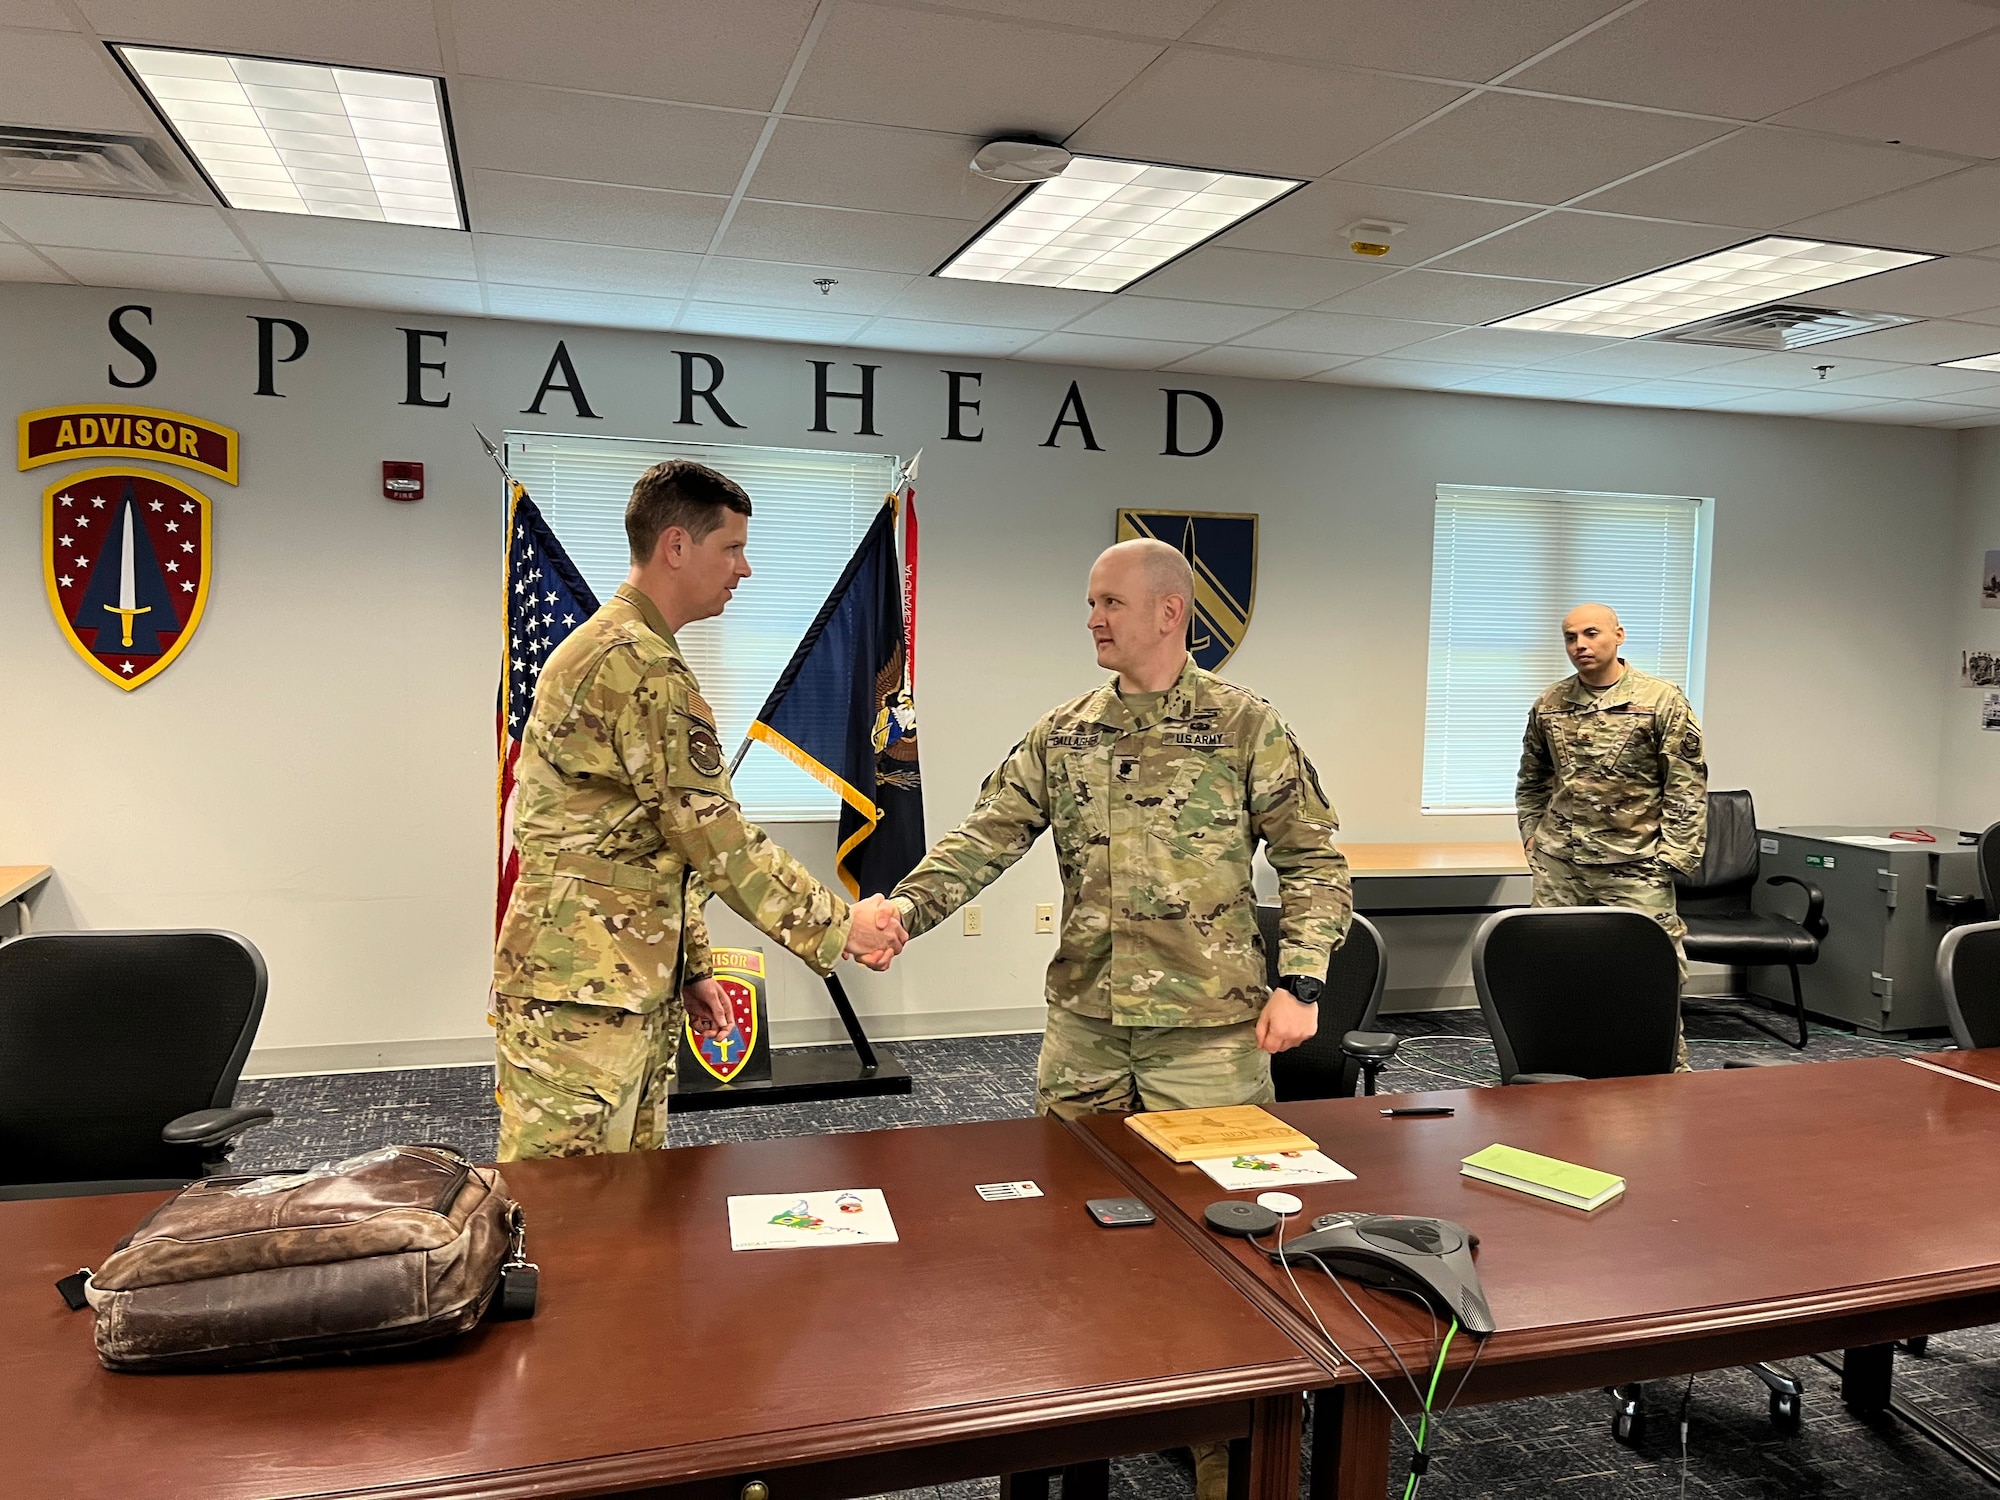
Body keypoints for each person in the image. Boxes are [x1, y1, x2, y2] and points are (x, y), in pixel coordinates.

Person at [492, 459, 907, 1160]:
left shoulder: (635, 651)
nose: (743, 569)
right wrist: (842, 926)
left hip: (616, 978)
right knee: (563, 1216)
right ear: (677, 547)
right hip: (585, 995)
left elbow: (658, 842)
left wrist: (692, 966)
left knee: (631, 1210)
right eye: (733, 548)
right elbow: (716, 838)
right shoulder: (637, 665)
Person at [890, 538, 1352, 1119]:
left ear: (1169, 612)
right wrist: (903, 911)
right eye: (1091, 603)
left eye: (1111, 602)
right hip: (1087, 1025)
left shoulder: (1246, 726)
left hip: (1204, 1027)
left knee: (1214, 1194)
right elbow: (986, 836)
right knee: (1070, 1189)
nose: (1093, 620)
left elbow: (1312, 860)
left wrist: (1302, 983)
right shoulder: (1064, 730)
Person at [1515, 602, 1708, 1070]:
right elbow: (1532, 781)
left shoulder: (1659, 700)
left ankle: (1665, 1075)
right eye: (1570, 637)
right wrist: (1533, 841)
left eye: (1591, 633)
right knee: (1556, 972)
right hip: (1563, 866)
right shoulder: (1550, 704)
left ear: (1619, 635)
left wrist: (1672, 859)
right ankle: (1560, 1069)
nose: (1579, 645)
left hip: (1635, 866)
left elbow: (1687, 785)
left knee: (1651, 975)